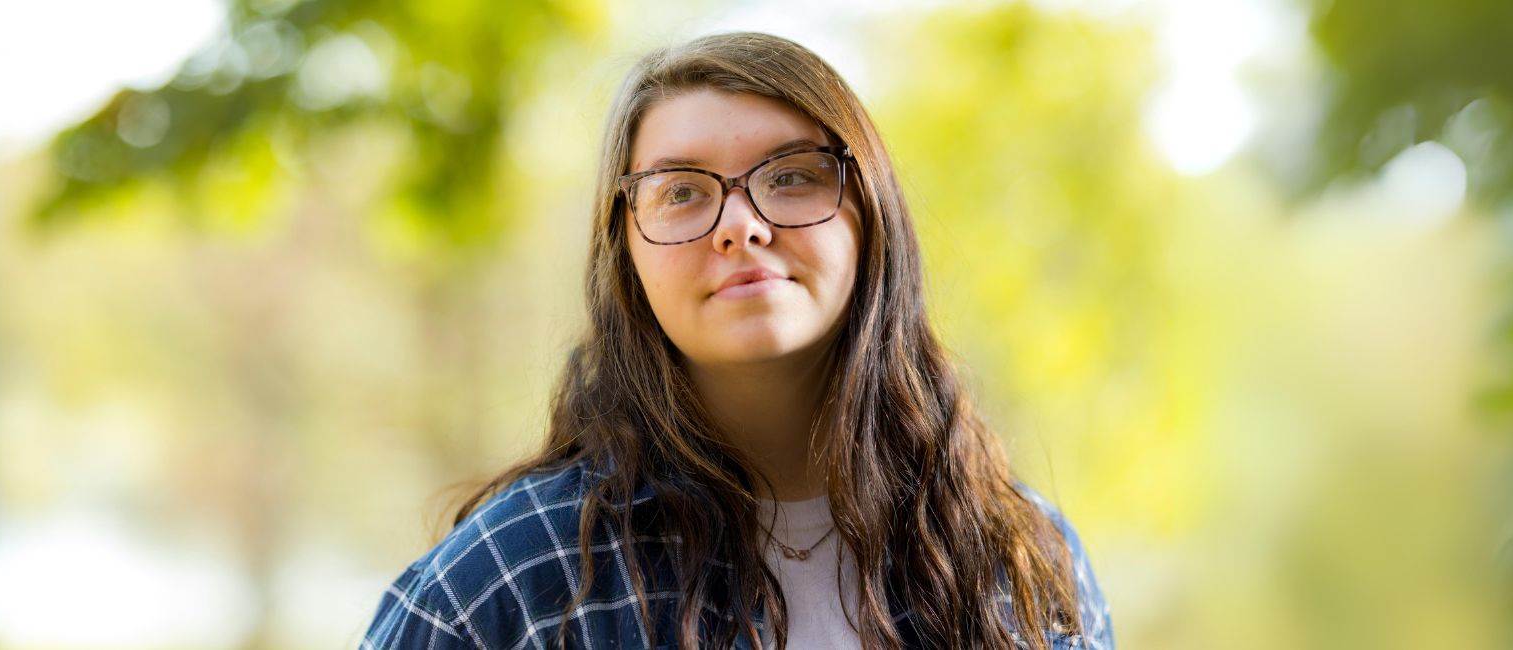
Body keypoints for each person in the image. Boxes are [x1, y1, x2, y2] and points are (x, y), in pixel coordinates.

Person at [360, 31, 1113, 650]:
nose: (741, 225)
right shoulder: (508, 585)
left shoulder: (1018, 559)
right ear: (627, 255)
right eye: (681, 191)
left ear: (872, 216)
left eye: (790, 176)